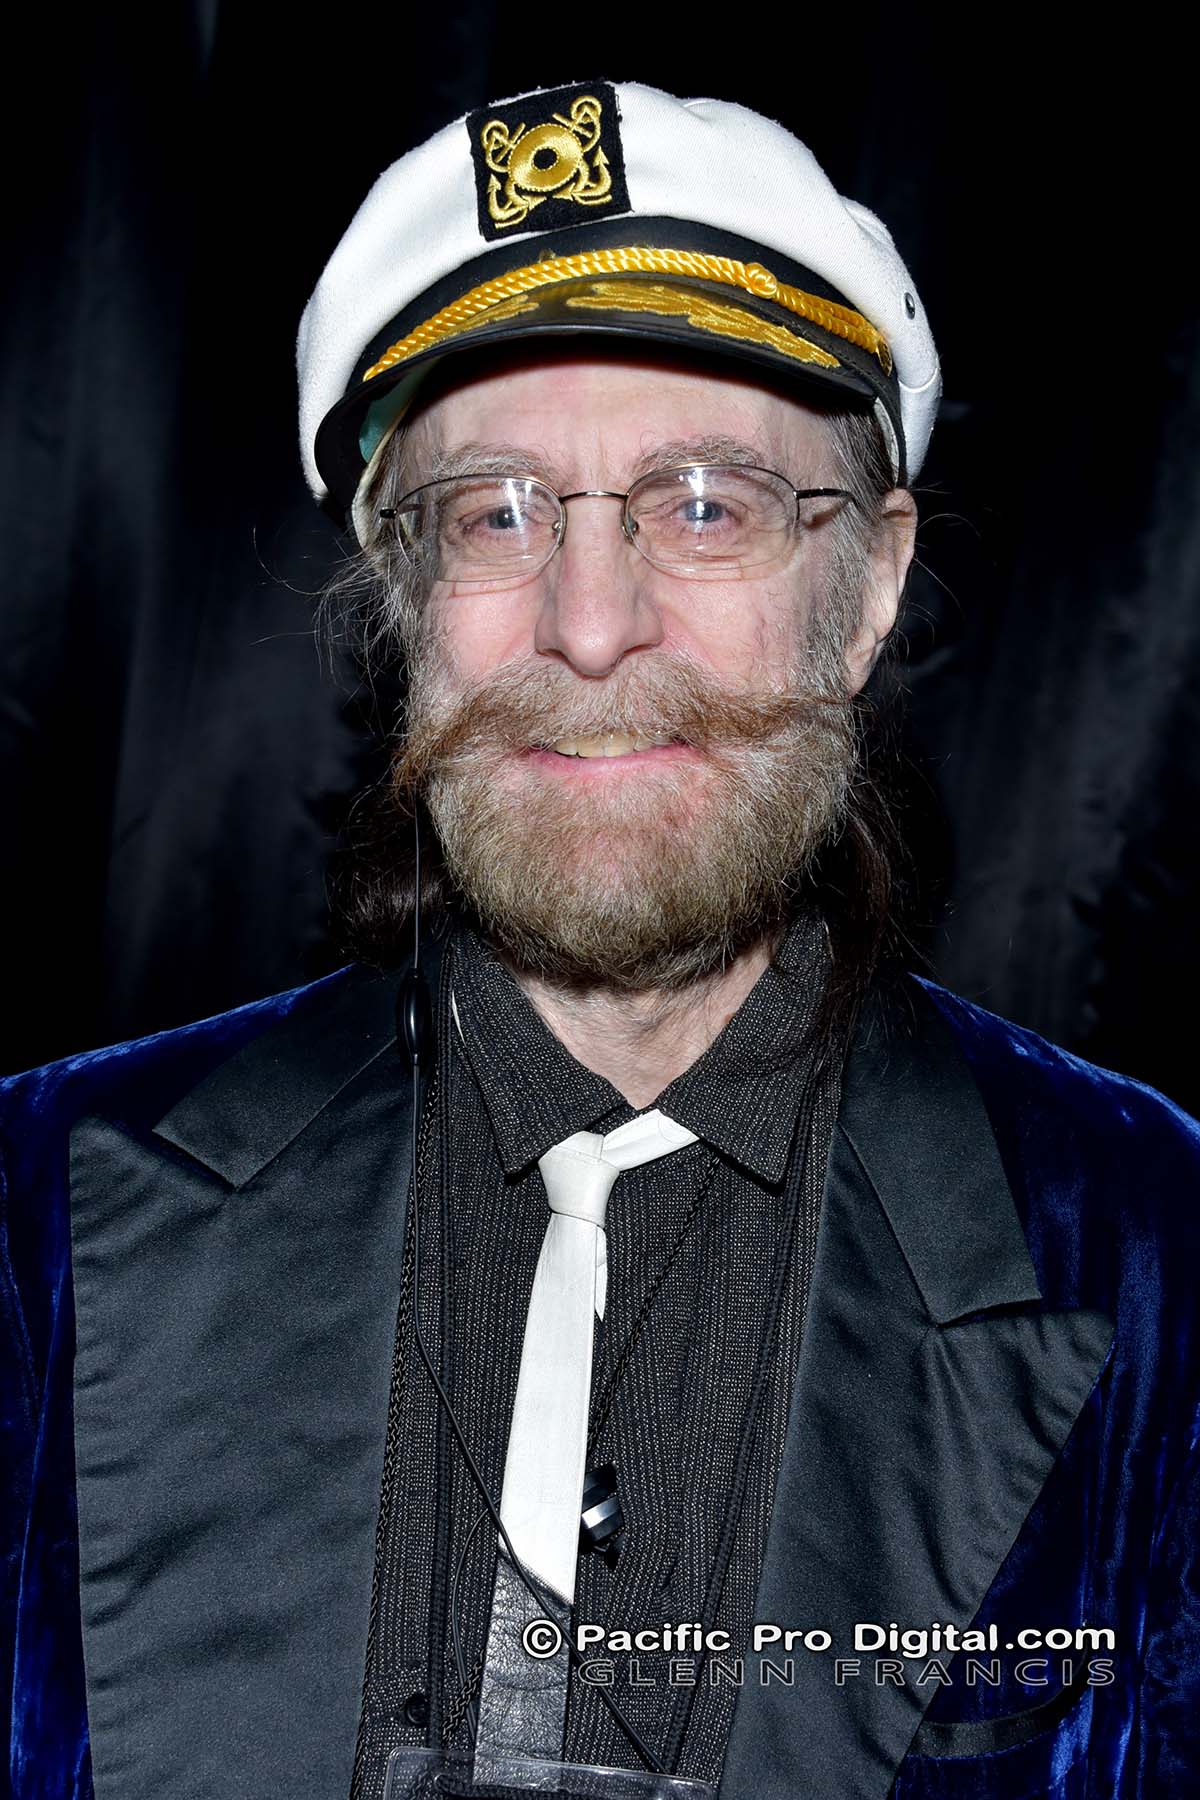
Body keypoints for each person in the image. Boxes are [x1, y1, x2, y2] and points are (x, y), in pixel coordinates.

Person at [2, 77, 1198, 1800]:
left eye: (705, 503)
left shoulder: (1157, 1253)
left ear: (867, 585)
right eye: (494, 511)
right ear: (405, 597)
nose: (587, 622)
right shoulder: (30, 1218)